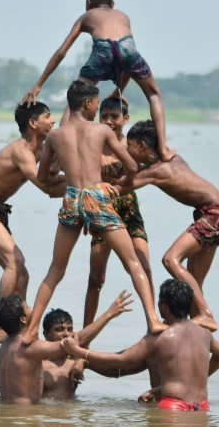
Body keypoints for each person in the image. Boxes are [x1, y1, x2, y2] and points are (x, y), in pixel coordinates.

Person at [21, 81, 167, 345]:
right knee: (133, 262)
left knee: (55, 269)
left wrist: (61, 175)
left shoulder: (55, 136)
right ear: (88, 104)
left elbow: (43, 176)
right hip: (97, 198)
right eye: (98, 104)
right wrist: (117, 186)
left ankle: (31, 330)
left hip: (72, 198)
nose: (99, 108)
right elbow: (132, 166)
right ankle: (153, 320)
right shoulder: (100, 131)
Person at [21, 0, 175, 161]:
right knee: (154, 94)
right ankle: (164, 149)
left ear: (88, 3)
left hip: (102, 51)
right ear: (113, 4)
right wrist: (119, 91)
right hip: (128, 48)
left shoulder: (87, 16)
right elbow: (126, 60)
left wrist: (39, 84)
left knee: (75, 100)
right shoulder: (123, 17)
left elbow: (62, 52)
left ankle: (58, 156)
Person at [114, 120, 219, 331]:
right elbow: (140, 167)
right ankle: (201, 334)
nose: (127, 152)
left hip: (214, 214)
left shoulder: (158, 171)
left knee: (170, 260)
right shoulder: (173, 159)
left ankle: (206, 315)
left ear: (142, 146)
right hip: (218, 215)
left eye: (129, 147)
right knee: (194, 283)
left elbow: (119, 188)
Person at [0, 102, 66, 344]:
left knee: (22, 275)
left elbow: (53, 178)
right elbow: (46, 188)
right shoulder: (22, 151)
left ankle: (17, 331)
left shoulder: (39, 152)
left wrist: (80, 179)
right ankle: (0, 326)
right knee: (15, 261)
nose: (52, 121)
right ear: (33, 123)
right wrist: (83, 186)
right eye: (48, 117)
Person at [61, 279, 219, 411]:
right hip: (201, 407)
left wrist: (79, 351)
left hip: (173, 408)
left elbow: (121, 360)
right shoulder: (204, 333)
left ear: (163, 306)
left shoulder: (160, 337)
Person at [0, 290, 133, 404]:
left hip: (6, 417)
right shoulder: (31, 348)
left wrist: (79, 360)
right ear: (23, 319)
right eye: (28, 307)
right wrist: (108, 314)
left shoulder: (4, 347)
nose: (32, 309)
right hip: (24, 419)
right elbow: (67, 347)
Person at [83, 97, 153, 328]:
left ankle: (154, 323)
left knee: (143, 267)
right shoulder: (94, 145)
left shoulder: (131, 145)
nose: (109, 121)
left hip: (128, 208)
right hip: (102, 209)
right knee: (96, 278)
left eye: (115, 117)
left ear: (126, 119)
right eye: (104, 116)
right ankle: (86, 333)